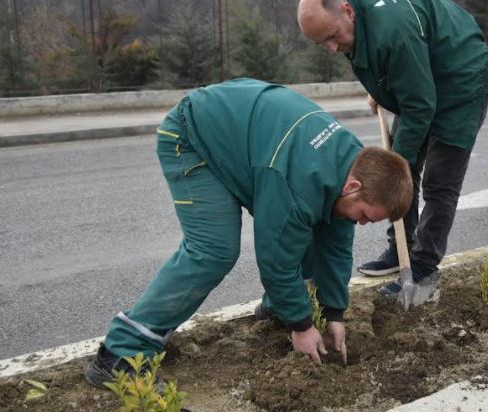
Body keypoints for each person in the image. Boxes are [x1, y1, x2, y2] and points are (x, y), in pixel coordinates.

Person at [85, 78, 412, 386]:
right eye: (366, 216)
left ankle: (278, 308)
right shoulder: (297, 183)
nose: (362, 224)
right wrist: (301, 326)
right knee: (214, 249)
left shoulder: (354, 164)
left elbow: (336, 248)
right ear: (353, 187)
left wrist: (334, 313)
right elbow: (275, 259)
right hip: (192, 135)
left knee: (320, 228)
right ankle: (122, 351)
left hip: (247, 138)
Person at [297, 0, 488, 296]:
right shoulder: (353, 17)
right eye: (322, 44)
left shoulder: (394, 31)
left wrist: (393, 168)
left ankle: (423, 270)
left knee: (436, 182)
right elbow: (388, 66)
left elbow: (419, 106)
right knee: (404, 168)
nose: (332, 49)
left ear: (347, 11)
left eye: (333, 37)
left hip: (461, 79)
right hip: (423, 76)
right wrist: (383, 89)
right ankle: (401, 249)